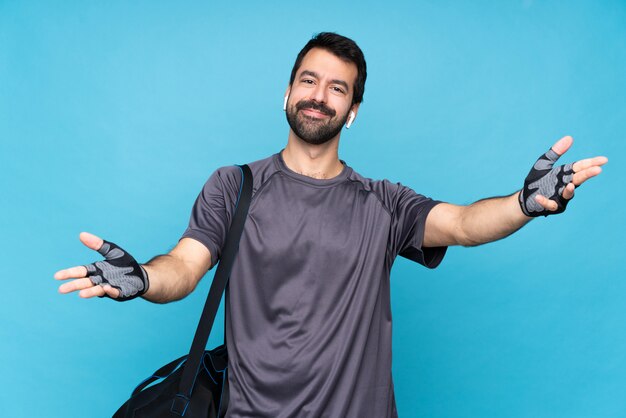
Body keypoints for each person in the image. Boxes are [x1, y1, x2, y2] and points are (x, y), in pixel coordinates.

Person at [54, 32, 607, 417]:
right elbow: (183, 266)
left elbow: (462, 223)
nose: (319, 96)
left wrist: (523, 203)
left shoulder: (384, 204)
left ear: (353, 110)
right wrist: (145, 281)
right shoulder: (234, 186)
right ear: (288, 93)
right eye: (308, 81)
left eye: (337, 88)